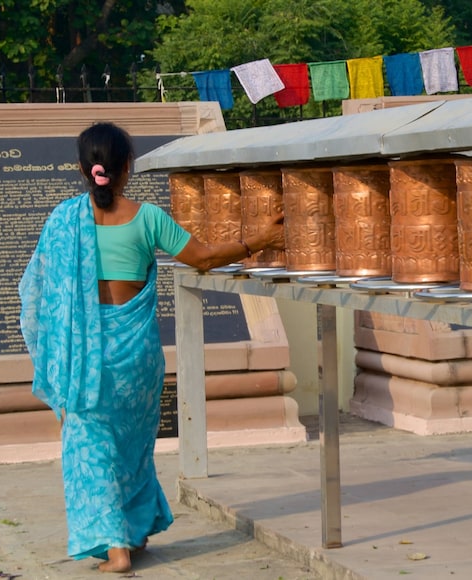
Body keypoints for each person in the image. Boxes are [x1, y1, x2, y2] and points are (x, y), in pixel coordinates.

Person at [18, 121, 284, 573]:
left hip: (82, 358)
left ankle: (115, 546)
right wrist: (259, 239)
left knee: (89, 447)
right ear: (127, 167)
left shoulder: (63, 221)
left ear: (82, 169)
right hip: (135, 359)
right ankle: (134, 531)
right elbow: (202, 257)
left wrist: (57, 360)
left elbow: (39, 293)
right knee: (133, 445)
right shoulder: (147, 218)